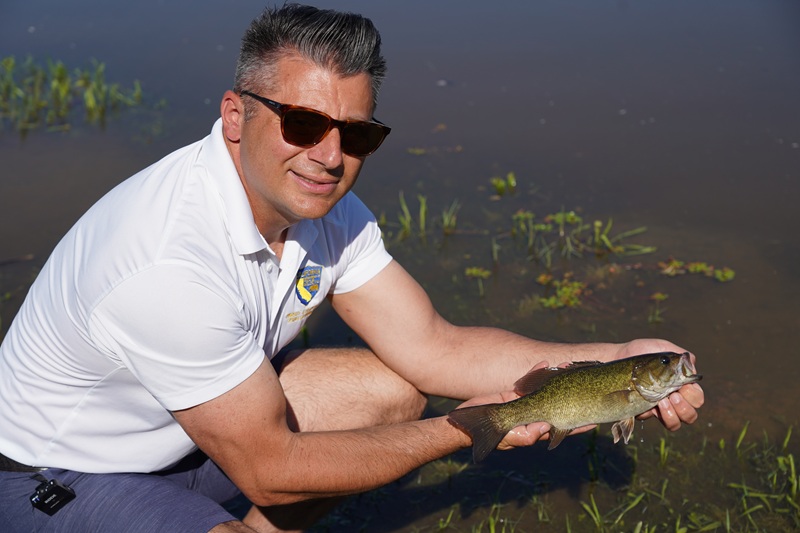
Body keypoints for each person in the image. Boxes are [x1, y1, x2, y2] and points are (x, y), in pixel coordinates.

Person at [0, 4, 704, 532]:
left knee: (393, 388)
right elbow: (271, 473)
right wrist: (467, 427)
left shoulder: (328, 209)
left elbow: (436, 347)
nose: (330, 155)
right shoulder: (165, 258)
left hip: (197, 430)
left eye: (357, 132)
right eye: (303, 123)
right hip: (62, 473)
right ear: (236, 115)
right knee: (310, 455)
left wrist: (617, 357)